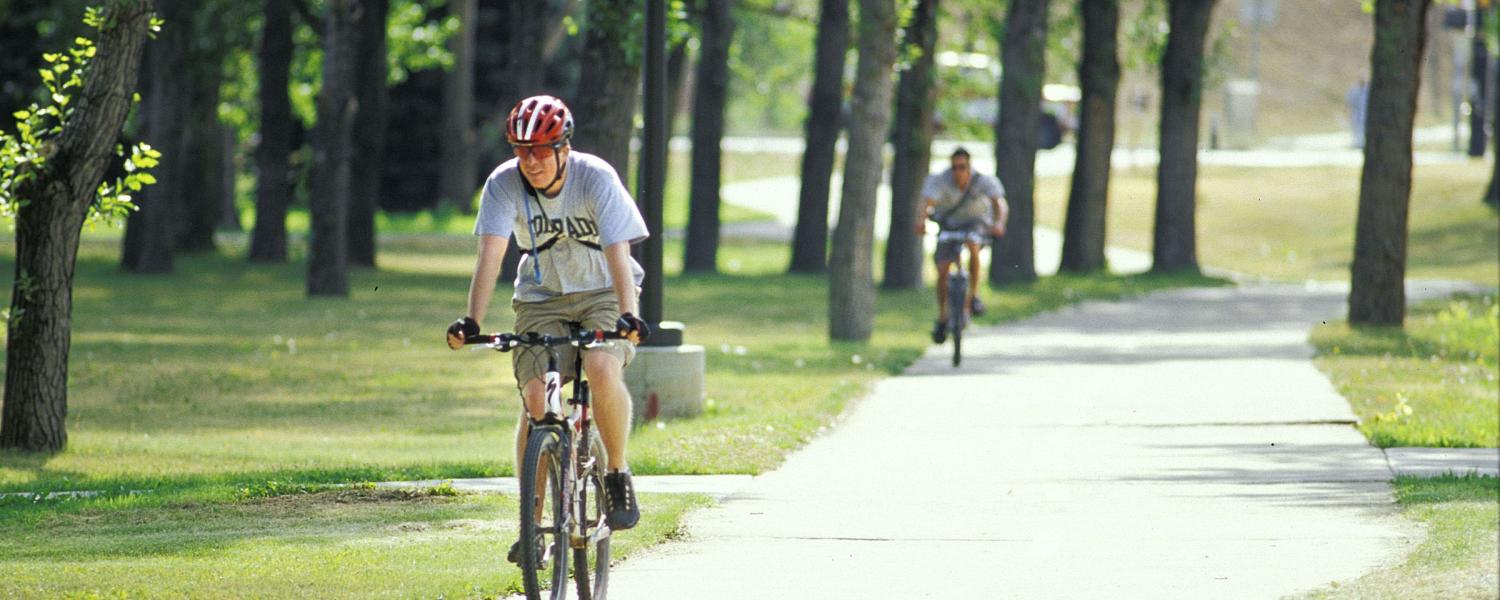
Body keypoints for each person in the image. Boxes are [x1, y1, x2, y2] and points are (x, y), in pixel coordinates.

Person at [445, 95, 650, 558]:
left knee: (600, 367)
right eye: (521, 150)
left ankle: (616, 471)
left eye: (540, 149)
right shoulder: (503, 184)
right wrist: (473, 321)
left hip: (603, 293)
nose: (530, 161)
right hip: (541, 298)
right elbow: (491, 255)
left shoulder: (595, 177)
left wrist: (627, 313)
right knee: (536, 399)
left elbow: (619, 253)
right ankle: (532, 524)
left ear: (564, 147)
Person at [914, 147, 1008, 344]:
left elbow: (1000, 203)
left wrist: (999, 224)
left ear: (969, 166)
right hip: (948, 223)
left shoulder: (983, 181)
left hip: (975, 221)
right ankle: (942, 316)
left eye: (962, 167)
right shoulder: (940, 180)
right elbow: (926, 202)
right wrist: (921, 221)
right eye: (954, 167)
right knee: (942, 269)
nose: (958, 172)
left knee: (973, 243)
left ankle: (974, 296)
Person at [1346, 78, 1369, 149]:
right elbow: (1349, 103)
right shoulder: (1354, 91)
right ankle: (1358, 143)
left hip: (1366, 113)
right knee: (1357, 128)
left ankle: (1364, 142)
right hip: (1356, 114)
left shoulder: (1368, 91)